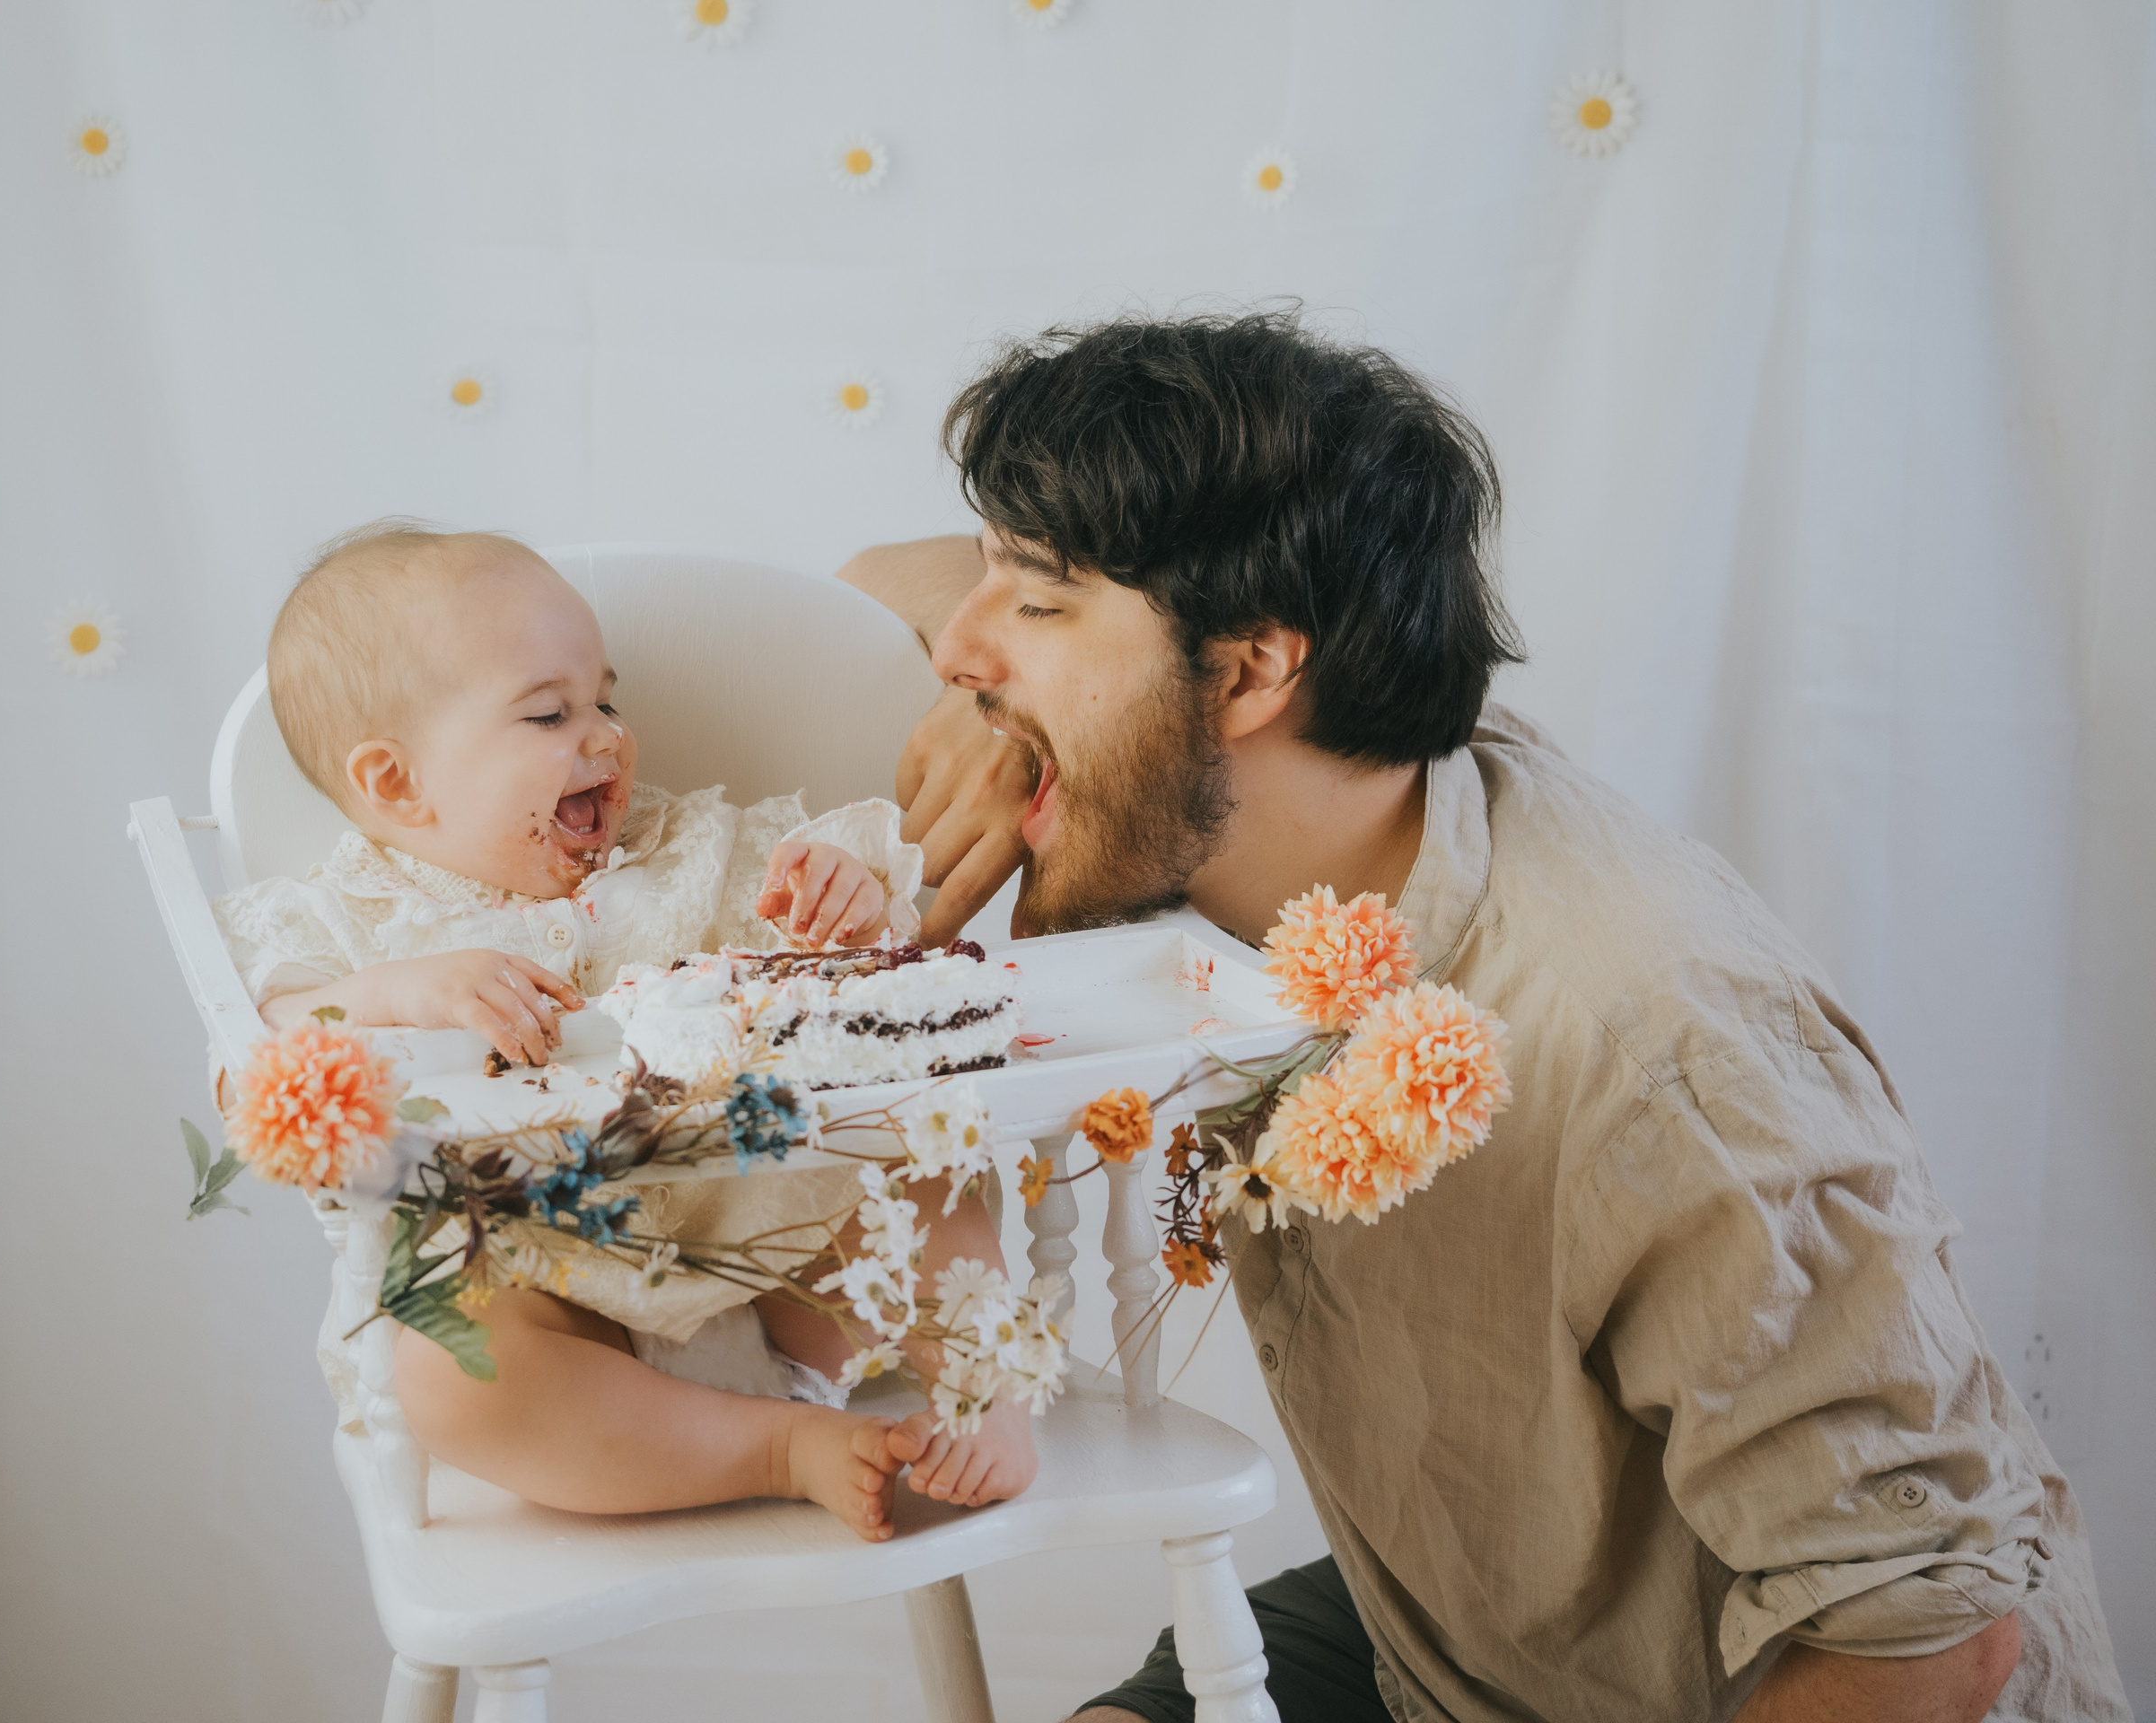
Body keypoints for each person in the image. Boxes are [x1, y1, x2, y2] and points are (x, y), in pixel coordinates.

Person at [839, 313, 2129, 1720]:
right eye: (995, 576)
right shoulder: (1321, 797)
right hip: (1471, 1633)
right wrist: (1000, 698)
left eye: (1037, 601)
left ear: (1253, 671)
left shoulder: (1649, 1050)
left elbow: (1926, 1635)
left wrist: (1032, 696)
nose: (958, 644)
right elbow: (877, 578)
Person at [215, 520, 1038, 1537]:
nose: (604, 736)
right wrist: (398, 994)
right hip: (552, 1284)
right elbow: (265, 1046)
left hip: (780, 1246)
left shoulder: (685, 847)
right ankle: (782, 1449)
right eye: (549, 713)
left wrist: (843, 895)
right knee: (447, 1370)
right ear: (395, 783)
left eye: (605, 700)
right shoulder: (349, 923)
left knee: (911, 1156)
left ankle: (988, 1387)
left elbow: (832, 958)